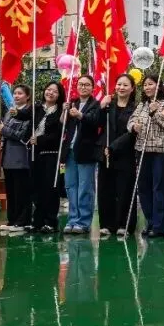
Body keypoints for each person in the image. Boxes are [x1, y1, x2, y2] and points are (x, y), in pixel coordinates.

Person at [94, 73, 139, 238]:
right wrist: (100, 107)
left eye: (125, 85)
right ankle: (106, 224)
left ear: (132, 88)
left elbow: (132, 132)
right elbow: (97, 124)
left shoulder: (136, 107)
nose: (121, 87)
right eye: (119, 84)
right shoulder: (108, 105)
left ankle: (124, 224)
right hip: (105, 152)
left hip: (125, 152)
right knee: (105, 189)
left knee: (125, 189)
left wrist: (113, 147)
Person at [130, 73, 164, 238]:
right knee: (144, 189)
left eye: (151, 84)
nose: (148, 87)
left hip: (160, 151)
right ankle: (149, 222)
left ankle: (159, 225)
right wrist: (133, 126)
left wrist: (155, 112)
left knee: (159, 189)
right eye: (145, 85)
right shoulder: (141, 104)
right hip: (142, 151)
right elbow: (131, 121)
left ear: (158, 85)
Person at [63, 75, 101, 235]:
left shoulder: (96, 104)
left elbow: (96, 121)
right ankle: (72, 219)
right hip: (70, 150)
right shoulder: (72, 102)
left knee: (85, 187)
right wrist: (65, 111)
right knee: (71, 186)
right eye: (80, 84)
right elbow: (63, 124)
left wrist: (80, 115)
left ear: (92, 88)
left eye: (87, 85)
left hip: (86, 150)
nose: (83, 87)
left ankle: (84, 221)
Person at [0, 85, 36, 233]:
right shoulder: (9, 112)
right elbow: (5, 131)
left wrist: (4, 130)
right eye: (15, 93)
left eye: (20, 93)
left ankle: (23, 221)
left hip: (21, 157)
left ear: (27, 96)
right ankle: (12, 219)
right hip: (8, 156)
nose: (16, 96)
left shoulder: (28, 113)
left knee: (21, 191)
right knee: (11, 191)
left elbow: (22, 134)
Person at [30, 82, 66, 233]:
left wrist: (40, 140)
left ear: (59, 95)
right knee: (36, 188)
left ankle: (50, 221)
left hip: (52, 154)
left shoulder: (60, 111)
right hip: (35, 154)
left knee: (51, 189)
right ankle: (37, 220)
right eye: (48, 89)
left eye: (55, 91)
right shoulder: (36, 109)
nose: (50, 93)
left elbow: (58, 133)